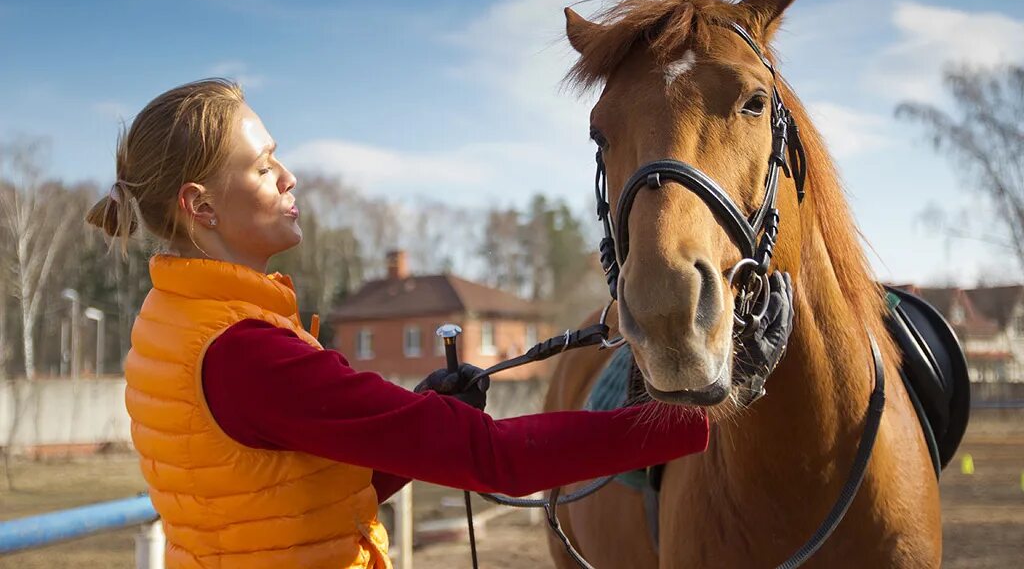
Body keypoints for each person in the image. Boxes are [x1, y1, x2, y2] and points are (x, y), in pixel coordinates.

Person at [86, 79, 791, 569]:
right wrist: (697, 420)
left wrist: (422, 414)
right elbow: (499, 460)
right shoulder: (245, 352)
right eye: (264, 167)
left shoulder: (178, 318)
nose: (289, 177)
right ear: (200, 207)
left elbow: (293, 494)